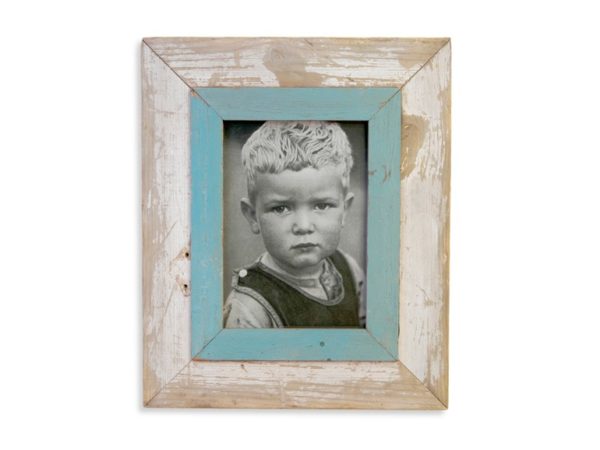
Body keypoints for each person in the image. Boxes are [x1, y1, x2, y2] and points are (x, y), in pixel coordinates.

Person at [224, 121, 366, 328]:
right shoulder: (249, 308)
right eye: (281, 208)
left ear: (344, 210)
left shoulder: (349, 271)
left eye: (321, 205)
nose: (303, 226)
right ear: (253, 216)